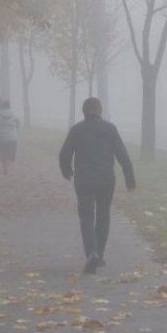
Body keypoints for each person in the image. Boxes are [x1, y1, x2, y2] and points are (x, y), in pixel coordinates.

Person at [59, 97, 136, 274]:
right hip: (106, 180)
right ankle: (99, 254)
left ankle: (91, 253)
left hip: (84, 180)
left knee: (86, 217)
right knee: (103, 216)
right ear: (99, 110)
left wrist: (67, 170)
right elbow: (123, 155)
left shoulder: (76, 130)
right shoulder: (110, 129)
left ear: (83, 111)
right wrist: (129, 179)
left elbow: (64, 153)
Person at [0, 100, 20, 174]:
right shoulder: (13, 114)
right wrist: (15, 130)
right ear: (9, 106)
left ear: (2, 106)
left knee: (2, 153)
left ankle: (5, 167)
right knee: (10, 153)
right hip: (12, 136)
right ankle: (8, 166)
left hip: (1, 137)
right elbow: (18, 123)